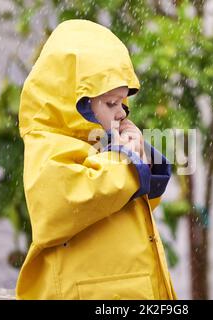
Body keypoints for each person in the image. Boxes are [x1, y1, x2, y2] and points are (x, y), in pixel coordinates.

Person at [16, 19, 177, 300]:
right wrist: (128, 164)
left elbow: (130, 203)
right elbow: (67, 202)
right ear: (75, 103)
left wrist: (142, 158)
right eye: (111, 103)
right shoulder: (47, 145)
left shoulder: (103, 142)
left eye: (123, 102)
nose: (122, 113)